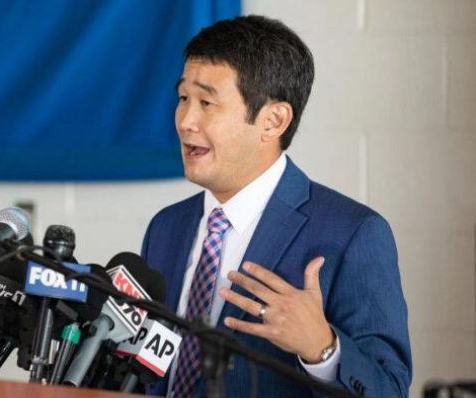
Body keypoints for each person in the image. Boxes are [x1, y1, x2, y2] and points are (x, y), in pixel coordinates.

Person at [140, 15, 411, 398]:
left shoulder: (353, 234)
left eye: (206, 102)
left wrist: (323, 349)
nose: (186, 120)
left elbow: (391, 390)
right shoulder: (166, 227)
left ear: (273, 120)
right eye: (183, 98)